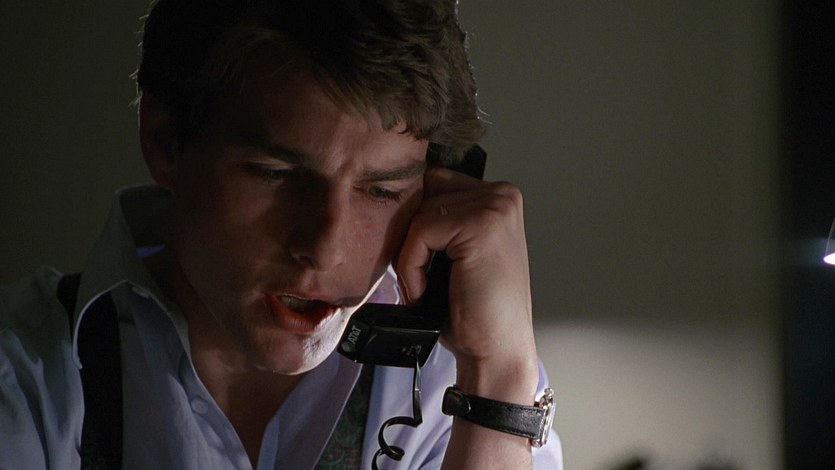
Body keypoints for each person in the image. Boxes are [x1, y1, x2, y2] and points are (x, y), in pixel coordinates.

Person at [0, 0, 563, 468]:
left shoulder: (470, 386)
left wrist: (499, 386)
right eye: (276, 174)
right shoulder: (24, 375)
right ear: (165, 142)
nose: (324, 249)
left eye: (381, 191)